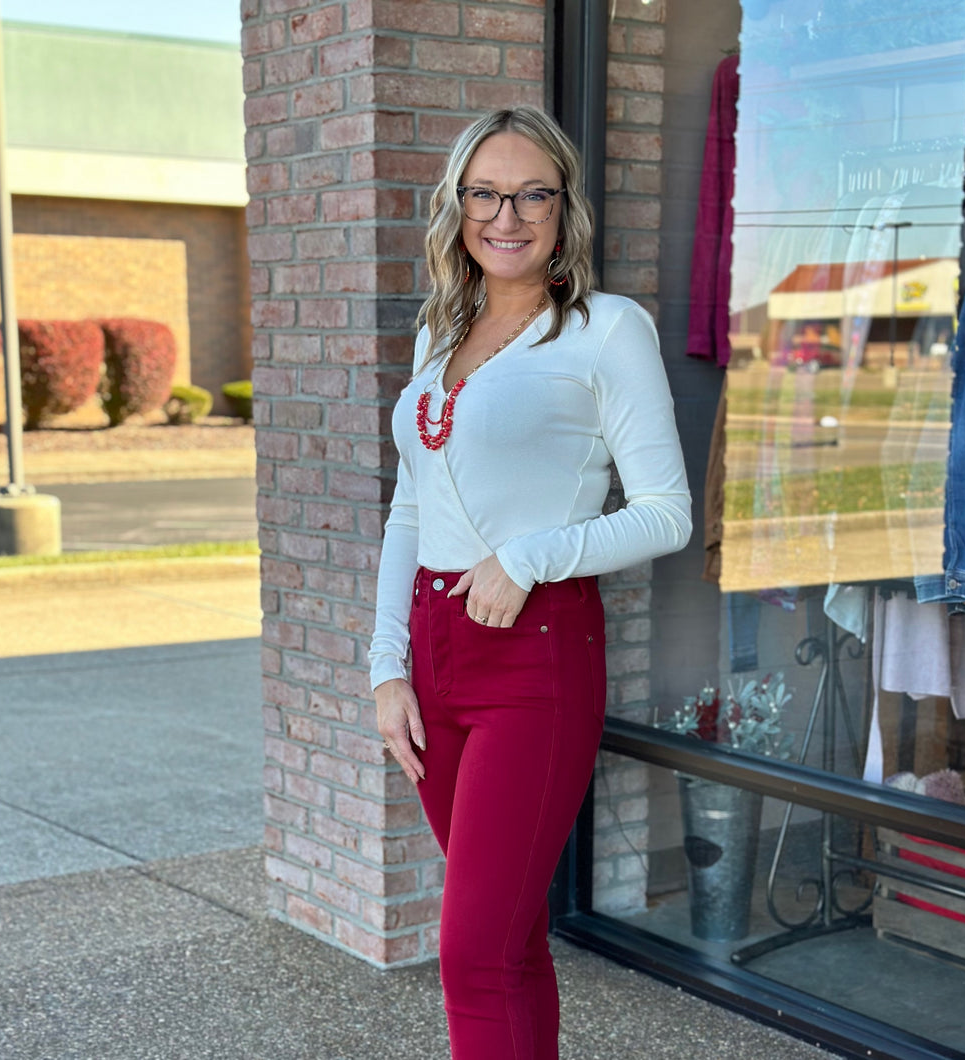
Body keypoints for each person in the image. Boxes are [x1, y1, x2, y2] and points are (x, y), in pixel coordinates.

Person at [369, 105, 692, 1060]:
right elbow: (408, 512)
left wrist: (528, 557)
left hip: (534, 658)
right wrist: (386, 667)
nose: (506, 216)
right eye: (486, 193)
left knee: (470, 955)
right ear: (457, 204)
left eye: (532, 194)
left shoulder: (604, 331)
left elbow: (666, 512)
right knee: (505, 947)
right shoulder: (441, 332)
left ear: (564, 209)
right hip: (434, 656)